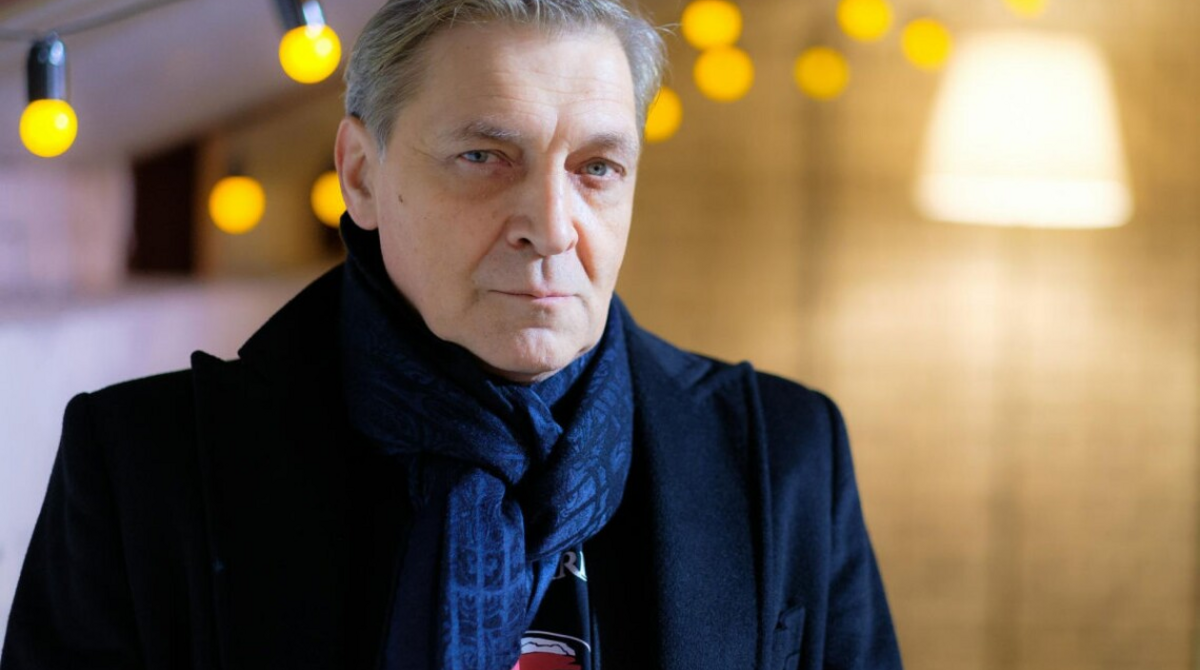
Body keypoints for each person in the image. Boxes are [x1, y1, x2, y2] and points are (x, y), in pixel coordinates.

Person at [1, 0, 902, 668]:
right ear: (360, 174)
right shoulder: (144, 466)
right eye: (484, 157)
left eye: (596, 168)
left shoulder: (784, 456)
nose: (551, 226)